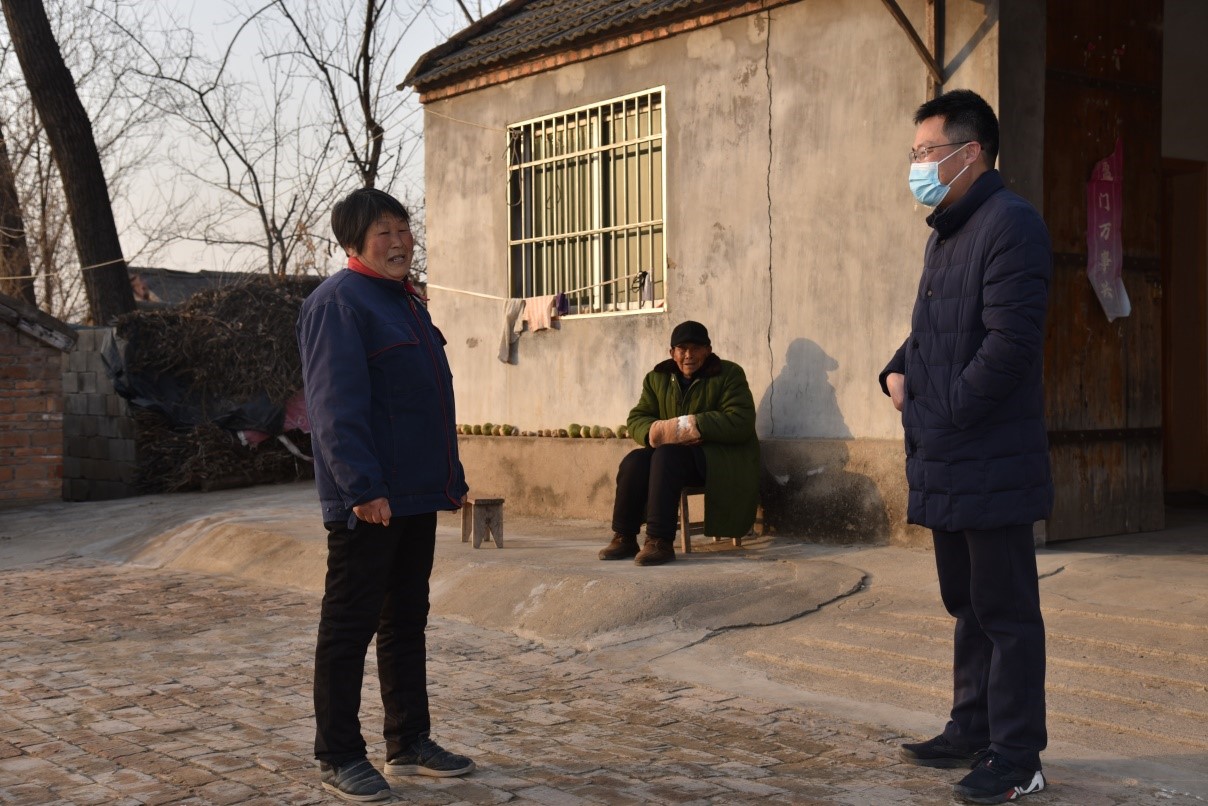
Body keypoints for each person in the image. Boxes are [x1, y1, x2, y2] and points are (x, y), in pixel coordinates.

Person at [880, 89, 1052, 804]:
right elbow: (934, 329)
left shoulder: (1011, 225)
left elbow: (1010, 345)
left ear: (969, 152)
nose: (916, 165)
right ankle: (972, 726)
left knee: (1006, 612)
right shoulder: (947, 232)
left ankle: (1018, 757)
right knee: (968, 604)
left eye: (926, 152)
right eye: (915, 152)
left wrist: (947, 409)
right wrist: (896, 368)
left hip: (989, 455)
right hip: (948, 456)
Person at [297, 188, 473, 802]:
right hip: (369, 500)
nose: (399, 243)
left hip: (415, 494)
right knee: (349, 627)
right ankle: (339, 754)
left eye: (403, 229)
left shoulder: (405, 302)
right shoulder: (338, 303)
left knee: (405, 622)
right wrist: (362, 488)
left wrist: (449, 481)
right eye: (384, 233)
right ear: (354, 243)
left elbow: (427, 401)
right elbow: (334, 407)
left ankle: (409, 740)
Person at [598, 320, 760, 566]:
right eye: (682, 349)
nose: (688, 355)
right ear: (672, 352)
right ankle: (624, 537)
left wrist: (691, 426)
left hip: (716, 458)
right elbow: (638, 418)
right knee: (635, 460)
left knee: (667, 457)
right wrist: (657, 431)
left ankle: (659, 541)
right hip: (673, 456)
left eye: (696, 348)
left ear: (708, 350)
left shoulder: (729, 374)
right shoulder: (657, 378)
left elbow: (741, 420)